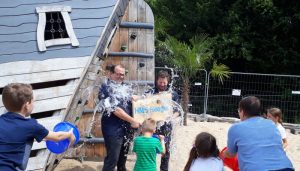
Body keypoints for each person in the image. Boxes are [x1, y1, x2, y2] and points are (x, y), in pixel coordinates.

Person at [0, 83, 76, 171]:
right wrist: (69, 134)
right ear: (27, 105)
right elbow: (57, 137)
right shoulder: (31, 126)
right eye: (33, 101)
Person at [221, 96, 294, 171]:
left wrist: (222, 154)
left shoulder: (236, 128)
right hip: (286, 167)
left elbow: (231, 154)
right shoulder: (272, 124)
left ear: (242, 112)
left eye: (239, 110)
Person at [99, 64, 140, 171]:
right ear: (111, 74)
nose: (121, 77)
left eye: (123, 74)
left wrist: (137, 99)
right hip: (113, 130)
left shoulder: (126, 87)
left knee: (123, 160)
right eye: (118, 74)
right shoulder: (106, 88)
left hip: (127, 129)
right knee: (112, 159)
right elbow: (115, 110)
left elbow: (135, 105)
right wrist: (132, 120)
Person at [145, 70, 180, 171]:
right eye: (160, 82)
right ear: (157, 81)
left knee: (166, 151)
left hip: (167, 126)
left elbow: (178, 111)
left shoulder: (173, 94)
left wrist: (171, 117)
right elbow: (142, 107)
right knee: (149, 149)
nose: (162, 84)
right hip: (152, 126)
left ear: (168, 81)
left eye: (164, 82)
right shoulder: (150, 92)